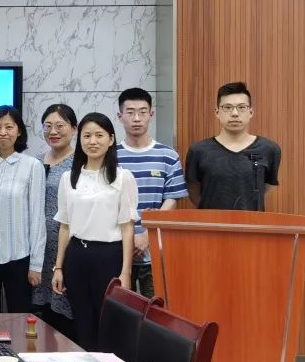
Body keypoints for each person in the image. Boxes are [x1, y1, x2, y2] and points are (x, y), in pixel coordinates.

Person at [51, 113, 138, 350]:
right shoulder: (69, 178)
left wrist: (126, 272)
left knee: (108, 323)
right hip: (77, 255)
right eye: (87, 136)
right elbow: (65, 226)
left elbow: (127, 227)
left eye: (99, 135)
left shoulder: (122, 177)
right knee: (82, 322)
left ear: (111, 139)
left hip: (109, 256)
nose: (92, 141)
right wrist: (59, 267)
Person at [0, 106, 45, 313]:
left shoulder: (32, 166)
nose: (3, 132)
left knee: (19, 317)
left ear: (19, 131)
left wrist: (36, 264)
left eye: (9, 127)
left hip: (18, 256)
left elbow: (37, 218)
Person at [116, 88, 189, 297]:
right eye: (130, 112)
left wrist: (147, 235)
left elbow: (171, 199)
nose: (136, 118)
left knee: (156, 309)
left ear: (151, 114)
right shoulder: (111, 156)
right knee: (120, 308)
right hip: (118, 250)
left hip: (156, 249)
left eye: (142, 112)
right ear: (120, 117)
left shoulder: (167, 155)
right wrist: (129, 238)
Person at [185, 82, 281, 211]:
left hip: (252, 222)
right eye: (227, 107)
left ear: (251, 112)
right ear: (217, 112)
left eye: (242, 107)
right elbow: (193, 191)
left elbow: (267, 188)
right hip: (211, 222)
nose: (235, 113)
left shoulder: (269, 149)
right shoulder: (198, 151)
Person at [31, 104, 76, 338]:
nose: (53, 131)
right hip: (37, 246)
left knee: (64, 310)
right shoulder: (34, 162)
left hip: (65, 244)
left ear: (74, 129)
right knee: (38, 313)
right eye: (47, 126)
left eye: (60, 125)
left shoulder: (80, 163)